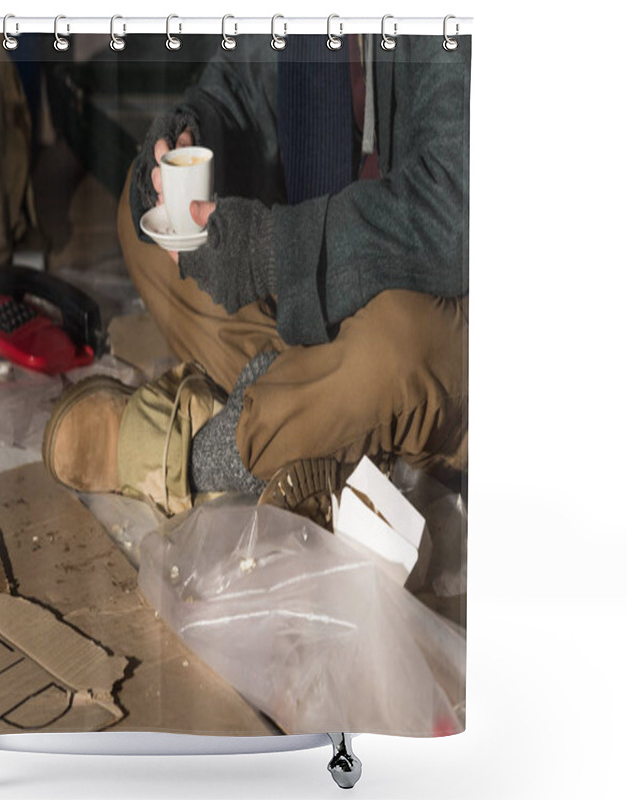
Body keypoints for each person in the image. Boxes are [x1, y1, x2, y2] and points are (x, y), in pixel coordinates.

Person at [42, 33, 470, 518]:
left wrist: (272, 253)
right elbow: (240, 89)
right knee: (146, 223)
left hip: (446, 317)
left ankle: (193, 457)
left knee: (393, 338)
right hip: (343, 294)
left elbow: (452, 218)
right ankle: (309, 422)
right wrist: (187, 137)